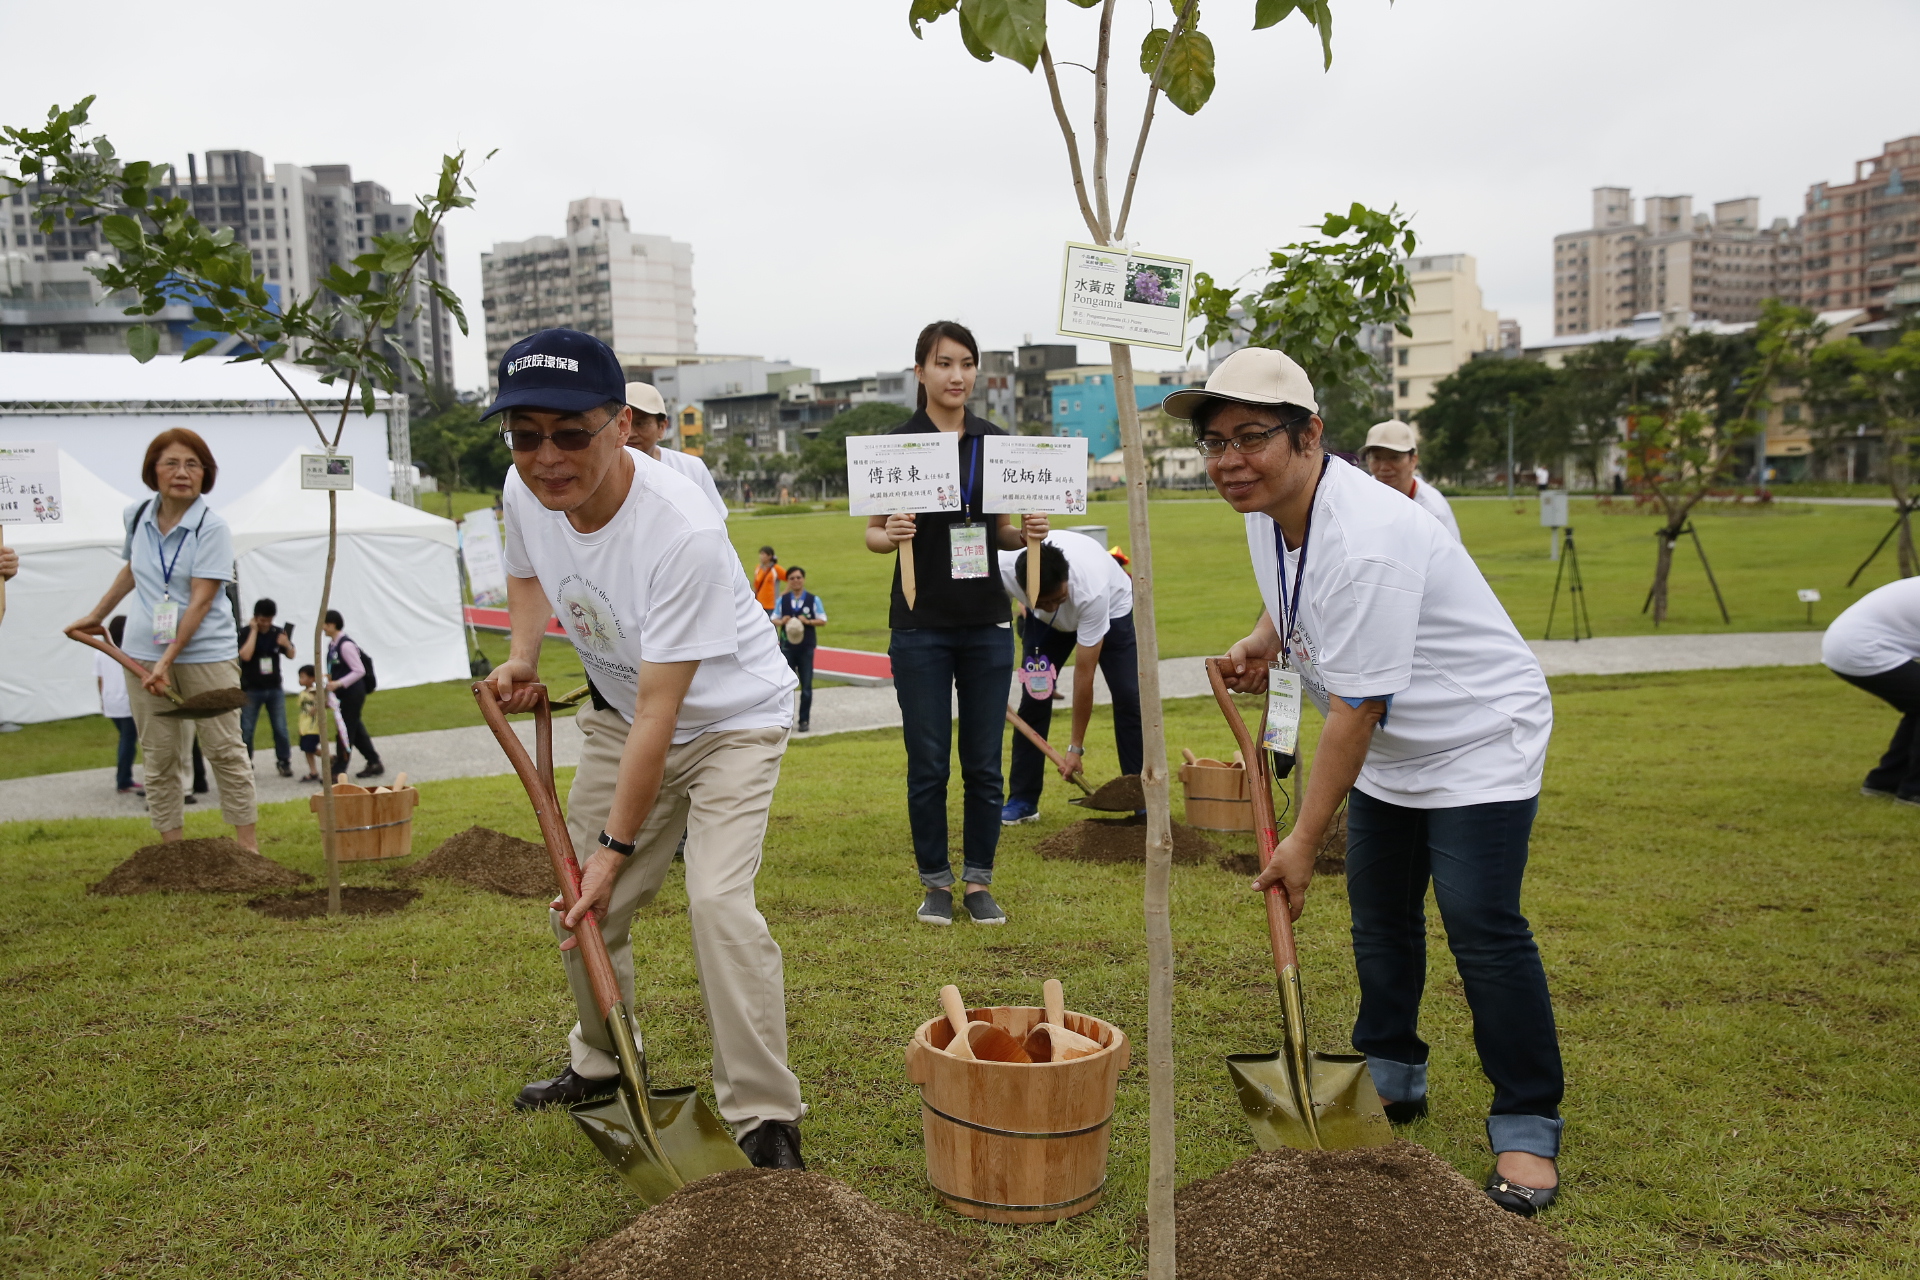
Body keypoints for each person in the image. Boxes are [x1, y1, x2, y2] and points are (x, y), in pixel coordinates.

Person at [1171, 347, 1563, 1217]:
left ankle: (1528, 1120)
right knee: (1381, 914)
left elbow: (1355, 711)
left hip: (1477, 737)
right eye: (1214, 443)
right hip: (1392, 747)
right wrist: (1265, 638)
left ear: (1312, 436)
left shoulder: (1375, 538)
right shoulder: (1266, 508)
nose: (1229, 461)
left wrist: (1303, 842)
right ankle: (1391, 1070)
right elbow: (1300, 592)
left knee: (1481, 925)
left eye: (1252, 438)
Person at [479, 328, 806, 1171]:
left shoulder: (681, 530)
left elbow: (668, 713)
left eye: (570, 433)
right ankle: (598, 1063)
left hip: (731, 720)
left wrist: (615, 849)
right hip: (623, 713)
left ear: (621, 424)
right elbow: (525, 571)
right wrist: (522, 654)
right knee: (586, 910)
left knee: (718, 906)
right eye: (525, 436)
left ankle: (765, 1116)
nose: (546, 457)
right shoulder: (525, 491)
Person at [866, 319, 1044, 927]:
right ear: (920, 371)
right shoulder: (897, 445)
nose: (957, 375)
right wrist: (887, 535)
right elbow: (871, 533)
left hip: (988, 624)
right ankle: (935, 883)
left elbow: (999, 532)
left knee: (984, 764)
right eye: (944, 363)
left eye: (966, 363)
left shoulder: (996, 444)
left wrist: (1030, 534)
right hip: (919, 627)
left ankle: (978, 882)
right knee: (928, 762)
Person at [69, 427, 257, 850]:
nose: (182, 472)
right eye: (171, 462)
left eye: (193, 464)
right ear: (152, 470)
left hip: (205, 655)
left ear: (206, 474)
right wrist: (96, 616)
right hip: (141, 653)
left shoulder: (212, 527)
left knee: (224, 749)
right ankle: (170, 851)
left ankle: (248, 849)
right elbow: (134, 569)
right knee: (159, 755)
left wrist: (167, 660)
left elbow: (202, 600)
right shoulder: (137, 514)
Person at [996, 533, 1142, 823]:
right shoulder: (1002, 567)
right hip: (1045, 628)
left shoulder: (1092, 591)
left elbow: (1084, 676)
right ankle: (1023, 800)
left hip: (1112, 611)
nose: (1052, 606)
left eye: (1058, 599)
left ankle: (1139, 795)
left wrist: (1075, 748)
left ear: (1067, 582)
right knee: (1035, 698)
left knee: (1127, 696)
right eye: (1043, 601)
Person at [1822, 577, 1920, 806]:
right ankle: (1914, 791)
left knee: (1918, 705)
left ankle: (1885, 782)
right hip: (1863, 648)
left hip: (1848, 644)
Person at [626, 381, 728, 519]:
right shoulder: (600, 474)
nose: (630, 433)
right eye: (623, 423)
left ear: (662, 427)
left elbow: (717, 522)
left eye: (640, 423)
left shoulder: (691, 469)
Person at [1362, 420, 1461, 543]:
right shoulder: (1359, 498)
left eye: (1394, 458)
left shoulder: (1433, 510)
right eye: (1376, 458)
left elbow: (1450, 558)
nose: (1384, 467)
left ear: (1413, 460)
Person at [238, 597, 296, 778]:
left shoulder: (278, 632)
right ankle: (246, 762)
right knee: (246, 729)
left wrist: (286, 644)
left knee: (280, 728)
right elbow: (245, 656)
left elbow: (292, 654)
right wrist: (254, 631)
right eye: (262, 620)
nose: (266, 624)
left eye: (269, 620)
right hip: (251, 689)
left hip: (274, 688)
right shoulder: (246, 632)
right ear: (256, 618)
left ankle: (284, 760)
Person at [323, 610, 383, 779]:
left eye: (325, 624)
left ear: (333, 624)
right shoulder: (333, 645)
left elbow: (359, 670)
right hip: (342, 692)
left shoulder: (345, 645)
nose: (323, 628)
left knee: (345, 730)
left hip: (353, 692)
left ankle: (338, 770)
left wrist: (339, 683)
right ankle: (374, 761)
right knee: (355, 728)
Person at [774, 565, 827, 733]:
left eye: (798, 578)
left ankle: (804, 720)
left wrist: (808, 621)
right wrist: (783, 621)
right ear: (788, 581)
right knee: (786, 687)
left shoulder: (813, 600)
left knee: (806, 686)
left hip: (806, 647)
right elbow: (773, 618)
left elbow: (823, 620)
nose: (796, 581)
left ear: (803, 579)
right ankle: (786, 719)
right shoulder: (783, 600)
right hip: (788, 648)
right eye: (792, 578)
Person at [96, 615, 142, 796]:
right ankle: (123, 779)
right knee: (128, 740)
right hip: (127, 701)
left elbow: (99, 679)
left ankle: (125, 778)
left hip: (110, 701)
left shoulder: (101, 651)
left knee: (125, 738)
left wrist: (102, 700)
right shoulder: (129, 651)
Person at [295, 663, 348, 782]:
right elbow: (303, 712)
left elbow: (325, 703)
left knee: (311, 747)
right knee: (306, 749)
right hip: (304, 726)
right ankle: (313, 771)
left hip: (313, 727)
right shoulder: (302, 694)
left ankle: (330, 758)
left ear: (312, 678)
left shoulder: (316, 693)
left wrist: (321, 699)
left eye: (303, 677)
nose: (300, 680)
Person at [751, 546, 782, 616]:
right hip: (759, 604)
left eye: (763, 554)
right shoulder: (758, 568)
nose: (761, 556)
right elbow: (756, 585)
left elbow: (789, 578)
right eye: (760, 554)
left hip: (772, 604)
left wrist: (784, 592)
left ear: (769, 556)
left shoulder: (776, 569)